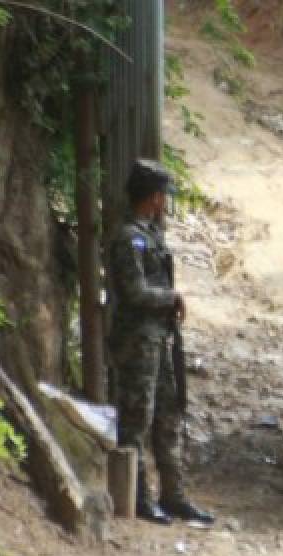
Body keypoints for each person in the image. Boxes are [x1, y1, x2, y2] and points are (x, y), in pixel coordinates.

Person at [109, 160, 214, 526]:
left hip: (158, 339)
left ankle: (174, 495)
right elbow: (134, 291)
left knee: (169, 416)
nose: (165, 203)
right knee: (137, 419)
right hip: (137, 342)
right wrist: (170, 298)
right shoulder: (128, 237)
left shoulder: (149, 234)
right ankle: (138, 497)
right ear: (153, 198)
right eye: (162, 196)